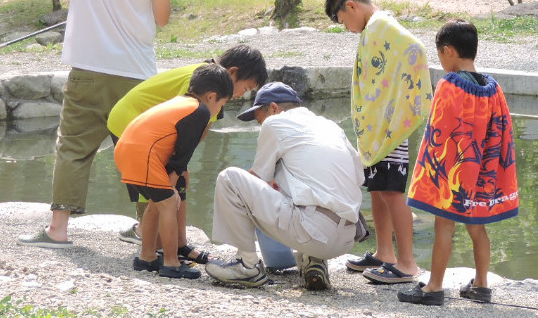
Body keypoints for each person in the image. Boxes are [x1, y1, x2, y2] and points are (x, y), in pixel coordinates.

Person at [18, 0, 194, 248]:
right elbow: (162, 18)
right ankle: (146, 229)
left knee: (73, 147)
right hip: (136, 74)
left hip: (87, 66)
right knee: (144, 151)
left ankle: (58, 229)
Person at [399, 20, 519, 306]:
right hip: (483, 172)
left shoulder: (449, 85)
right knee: (478, 228)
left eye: (439, 55)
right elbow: (501, 134)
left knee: (444, 227)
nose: (440, 62)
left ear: (449, 51)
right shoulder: (493, 88)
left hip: (454, 175)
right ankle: (481, 285)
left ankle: (434, 288)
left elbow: (437, 135)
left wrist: (434, 178)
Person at [204, 82, 364, 291]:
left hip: (313, 232)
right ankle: (313, 261)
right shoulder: (331, 125)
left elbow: (259, 180)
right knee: (300, 181)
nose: (262, 126)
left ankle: (247, 266)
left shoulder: (275, 123)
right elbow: (359, 177)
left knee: (230, 178)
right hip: (347, 237)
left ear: (273, 108)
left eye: (260, 120)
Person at [324, 0, 432, 285]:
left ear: (351, 6)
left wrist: (398, 103)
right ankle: (385, 253)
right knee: (378, 189)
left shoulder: (382, 25)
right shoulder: (374, 28)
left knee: (392, 192)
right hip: (377, 129)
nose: (346, 28)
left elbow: (415, 49)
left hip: (390, 126)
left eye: (343, 21)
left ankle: (408, 263)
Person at [107, 44, 268, 246]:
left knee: (170, 179)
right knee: (155, 181)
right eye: (245, 88)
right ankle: (147, 235)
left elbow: (197, 134)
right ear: (232, 72)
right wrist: (177, 166)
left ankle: (156, 236)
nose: (243, 95)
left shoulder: (214, 86)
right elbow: (185, 126)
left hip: (142, 124)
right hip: (130, 120)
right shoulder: (201, 81)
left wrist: (180, 165)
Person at [114, 63, 233, 279]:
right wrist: (173, 180)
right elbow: (185, 150)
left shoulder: (179, 102)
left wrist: (176, 176)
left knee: (157, 203)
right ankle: (171, 263)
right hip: (144, 154)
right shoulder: (200, 110)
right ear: (212, 96)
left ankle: (146, 257)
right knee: (169, 203)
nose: (218, 111)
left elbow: (175, 149)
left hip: (126, 149)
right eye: (222, 104)